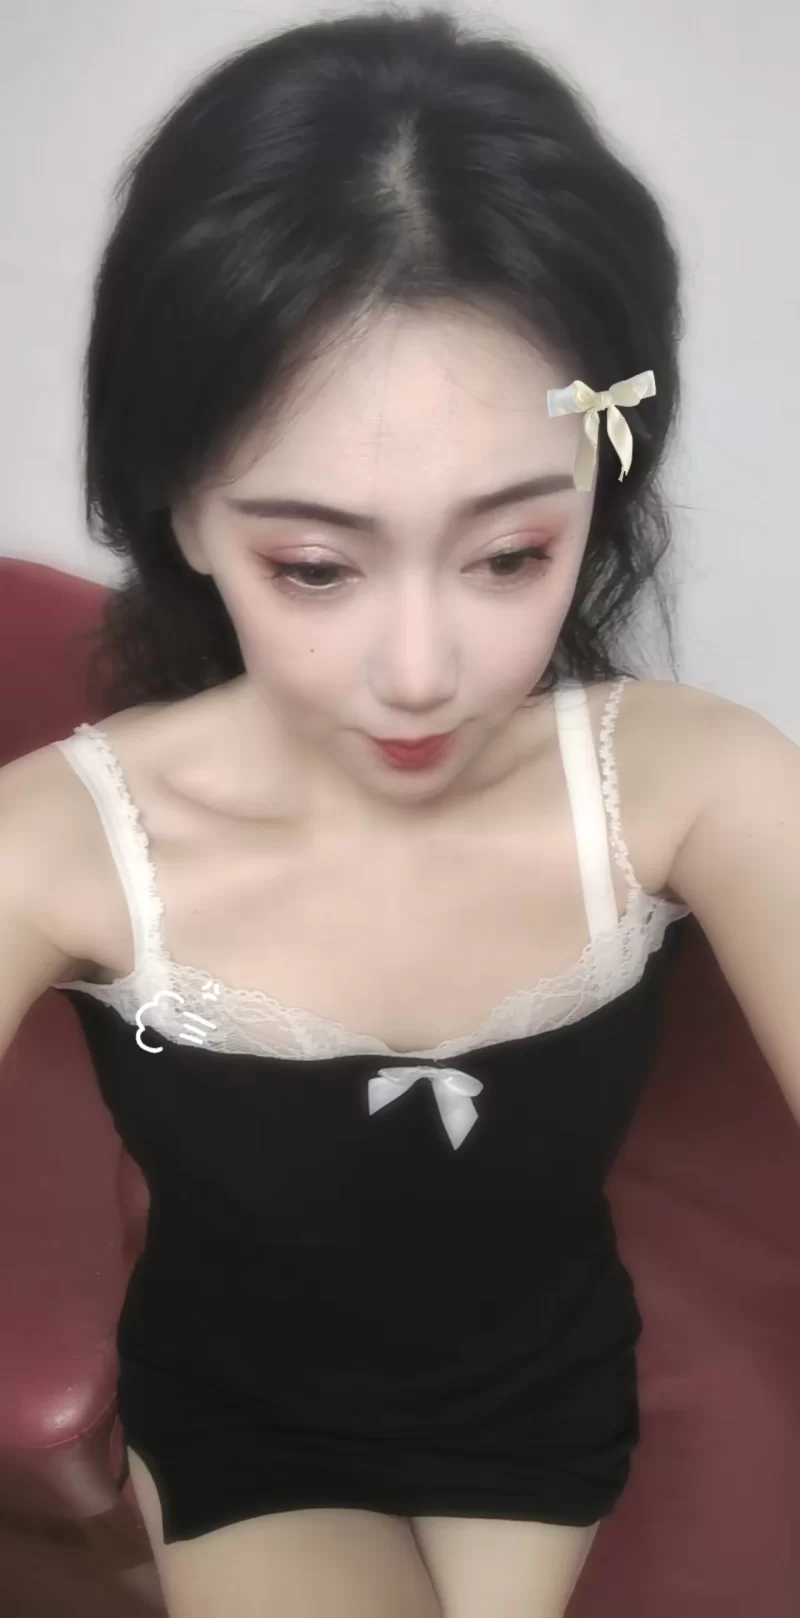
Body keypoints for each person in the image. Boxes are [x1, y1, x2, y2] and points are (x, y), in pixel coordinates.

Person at [2, 9, 696, 1616]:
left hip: (542, 1404)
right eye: (315, 565)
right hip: (245, 1419)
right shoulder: (62, 844)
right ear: (181, 511)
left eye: (511, 553)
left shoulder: (690, 785)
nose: (422, 670)